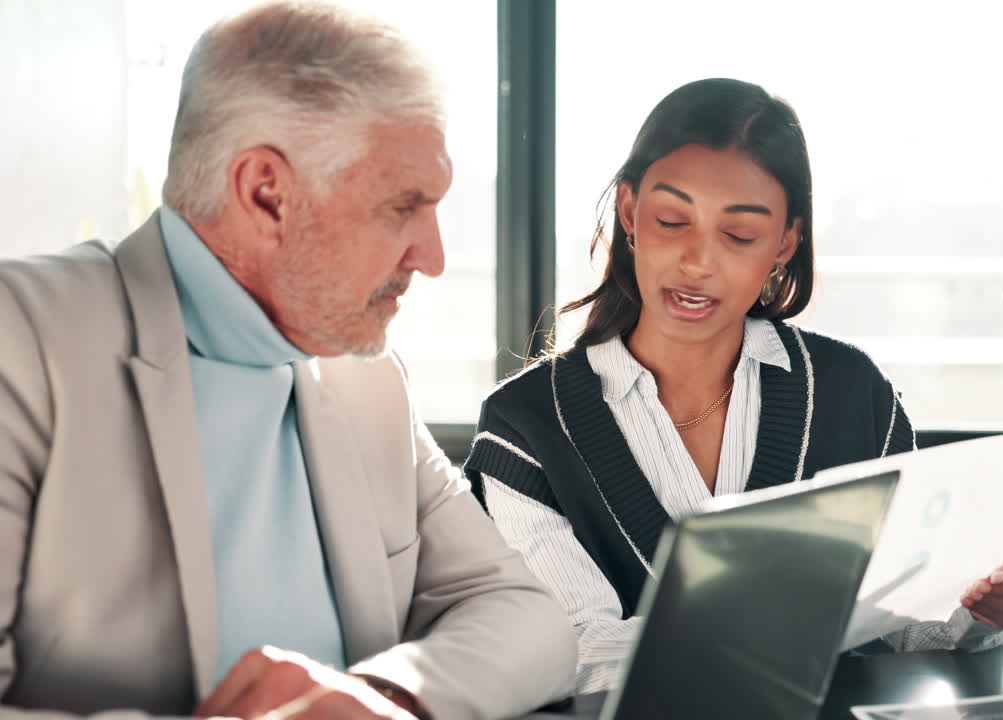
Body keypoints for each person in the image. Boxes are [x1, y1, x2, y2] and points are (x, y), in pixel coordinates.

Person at [0, 3, 576, 719]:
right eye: (403, 207)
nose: (432, 258)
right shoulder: (19, 340)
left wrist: (379, 696)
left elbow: (530, 619)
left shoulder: (370, 379)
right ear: (266, 193)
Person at [463, 77, 1003, 693]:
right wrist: (784, 634)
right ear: (629, 212)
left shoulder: (850, 392)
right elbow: (571, 649)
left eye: (740, 235)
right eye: (672, 220)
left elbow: (911, 623)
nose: (698, 262)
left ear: (785, 242)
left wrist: (981, 607)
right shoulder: (526, 426)